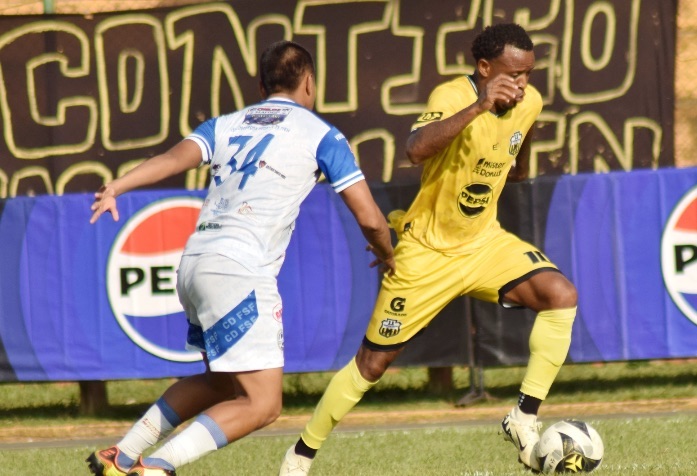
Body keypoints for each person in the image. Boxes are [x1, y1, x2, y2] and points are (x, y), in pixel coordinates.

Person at [86, 40, 395, 476]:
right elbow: (370, 219)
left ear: (262, 86)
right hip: (239, 270)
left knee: (221, 383)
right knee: (262, 404)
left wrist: (118, 185)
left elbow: (174, 158)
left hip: (194, 262)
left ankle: (122, 454)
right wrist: (387, 253)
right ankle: (155, 467)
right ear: (309, 82)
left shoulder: (225, 124)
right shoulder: (322, 135)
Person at [279, 23, 577, 474]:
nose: (521, 83)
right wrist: (480, 106)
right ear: (484, 67)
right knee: (371, 365)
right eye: (513, 74)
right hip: (426, 251)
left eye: (528, 74)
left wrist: (513, 157)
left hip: (484, 244)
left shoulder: (529, 101)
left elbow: (518, 165)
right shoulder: (453, 96)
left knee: (561, 295)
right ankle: (300, 455)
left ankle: (523, 417)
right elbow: (415, 150)